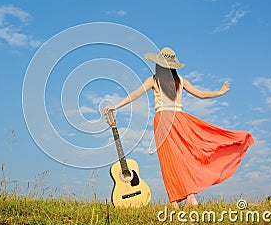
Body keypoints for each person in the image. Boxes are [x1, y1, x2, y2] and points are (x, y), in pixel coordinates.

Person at [103, 47, 254, 208]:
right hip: (180, 119)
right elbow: (201, 94)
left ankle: (175, 201)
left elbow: (135, 94)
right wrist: (220, 92)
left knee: (168, 160)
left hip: (162, 119)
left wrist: (116, 106)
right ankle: (190, 197)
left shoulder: (154, 80)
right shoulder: (180, 80)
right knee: (184, 158)